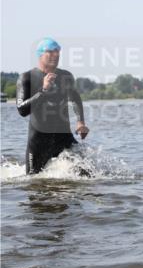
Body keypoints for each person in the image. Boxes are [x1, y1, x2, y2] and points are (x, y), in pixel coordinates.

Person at [16, 38, 89, 174]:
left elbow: (75, 98)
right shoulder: (26, 78)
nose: (55, 55)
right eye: (50, 51)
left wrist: (80, 121)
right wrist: (43, 90)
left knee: (87, 173)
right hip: (39, 142)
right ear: (40, 55)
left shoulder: (66, 76)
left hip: (64, 137)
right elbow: (21, 110)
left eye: (57, 51)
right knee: (33, 182)